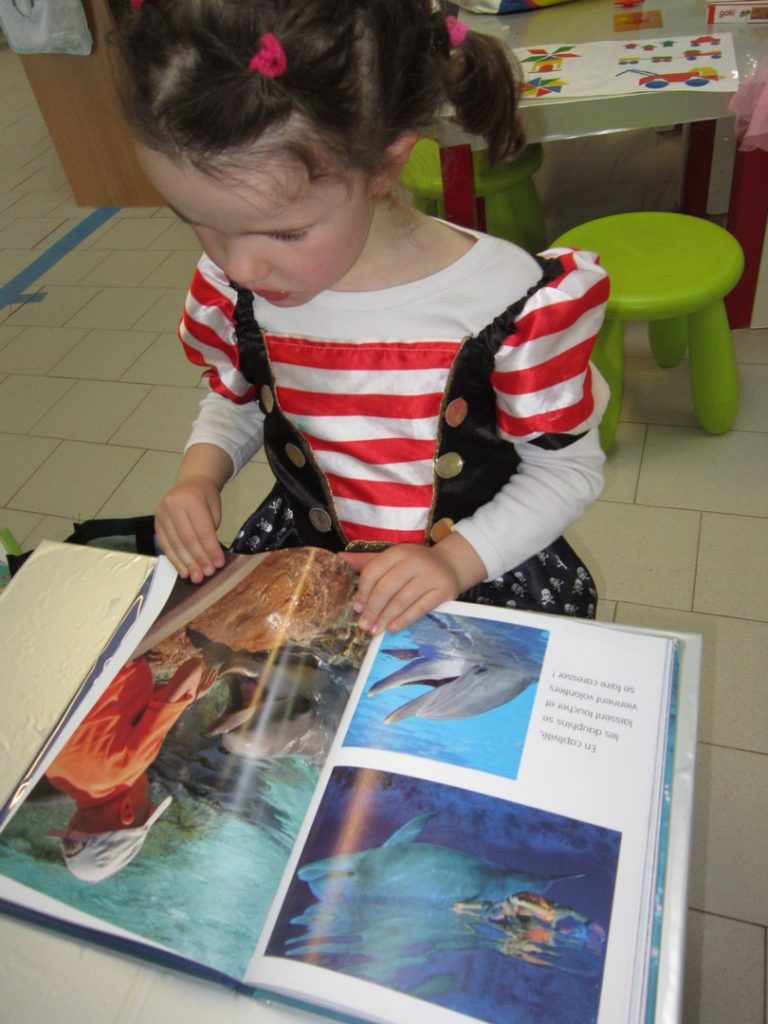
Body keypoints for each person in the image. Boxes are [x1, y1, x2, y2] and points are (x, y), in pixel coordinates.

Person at [108, 0, 609, 635]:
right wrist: (199, 475)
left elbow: (566, 470)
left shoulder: (507, 304)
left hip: (478, 575)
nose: (240, 266)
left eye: (283, 233)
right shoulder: (236, 293)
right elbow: (240, 397)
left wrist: (454, 561)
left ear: (384, 165)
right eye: (198, 223)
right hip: (310, 571)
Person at [46, 656, 216, 882]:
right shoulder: (56, 776)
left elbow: (192, 669)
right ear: (73, 822)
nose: (149, 792)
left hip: (112, 658)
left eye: (147, 803)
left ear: (126, 811)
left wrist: (190, 697)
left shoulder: (130, 765)